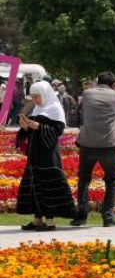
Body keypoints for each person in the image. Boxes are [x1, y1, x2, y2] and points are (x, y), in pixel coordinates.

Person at [72, 71, 115, 227]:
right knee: (111, 180)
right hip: (108, 144)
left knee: (84, 179)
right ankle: (107, 217)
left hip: (87, 142)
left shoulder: (87, 93)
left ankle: (81, 215)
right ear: (113, 85)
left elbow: (84, 114)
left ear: (98, 82)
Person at [16, 80, 76, 231]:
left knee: (48, 183)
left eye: (37, 96)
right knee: (35, 184)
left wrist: (39, 126)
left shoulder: (55, 108)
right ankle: (37, 219)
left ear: (45, 94)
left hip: (48, 153)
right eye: (33, 97)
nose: (35, 100)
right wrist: (25, 128)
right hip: (35, 152)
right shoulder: (37, 109)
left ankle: (50, 221)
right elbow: (32, 131)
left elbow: (58, 131)